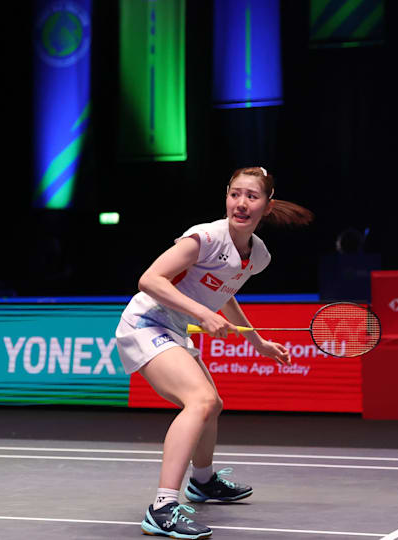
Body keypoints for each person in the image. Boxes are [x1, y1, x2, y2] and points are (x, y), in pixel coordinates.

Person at [116, 167, 313, 538]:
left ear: (266, 206)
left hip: (174, 329)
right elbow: (149, 279)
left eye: (251, 197)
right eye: (235, 194)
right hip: (145, 323)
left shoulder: (258, 257)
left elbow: (226, 293)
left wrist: (258, 342)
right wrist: (204, 315)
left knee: (213, 405)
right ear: (226, 196)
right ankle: (162, 507)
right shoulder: (204, 238)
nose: (241, 204)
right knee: (201, 400)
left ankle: (203, 482)